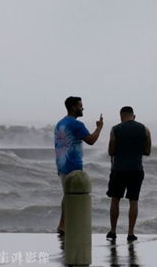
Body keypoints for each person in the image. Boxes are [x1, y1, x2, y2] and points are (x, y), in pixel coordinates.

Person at [54, 96, 104, 236]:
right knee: (72, 196)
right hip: (73, 165)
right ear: (73, 107)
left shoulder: (60, 123)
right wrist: (99, 128)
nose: (83, 108)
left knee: (67, 195)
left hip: (61, 164)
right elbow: (91, 140)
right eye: (80, 106)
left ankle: (63, 224)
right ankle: (64, 225)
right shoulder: (77, 125)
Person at [106, 106, 151, 242]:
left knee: (115, 199)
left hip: (119, 169)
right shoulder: (145, 129)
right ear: (134, 116)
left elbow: (111, 151)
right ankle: (130, 233)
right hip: (136, 169)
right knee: (133, 201)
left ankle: (113, 231)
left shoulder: (115, 129)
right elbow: (147, 151)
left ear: (121, 116)